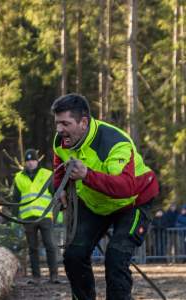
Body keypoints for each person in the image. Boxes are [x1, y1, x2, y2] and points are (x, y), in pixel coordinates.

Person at [51, 93, 159, 299]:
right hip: (95, 204)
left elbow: (126, 187)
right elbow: (59, 164)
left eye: (65, 123)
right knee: (74, 255)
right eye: (57, 123)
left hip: (133, 203)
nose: (59, 129)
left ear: (83, 122)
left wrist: (86, 175)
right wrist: (60, 188)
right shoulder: (61, 141)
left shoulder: (115, 143)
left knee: (116, 258)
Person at [12, 149, 59, 283]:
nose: (30, 163)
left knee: (50, 245)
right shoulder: (19, 177)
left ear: (37, 161)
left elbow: (55, 194)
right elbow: (15, 199)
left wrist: (55, 214)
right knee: (33, 249)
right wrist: (14, 216)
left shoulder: (47, 174)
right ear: (25, 163)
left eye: (33, 160)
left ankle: (54, 276)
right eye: (28, 161)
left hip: (44, 216)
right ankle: (36, 277)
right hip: (27, 218)